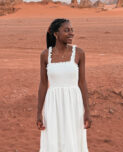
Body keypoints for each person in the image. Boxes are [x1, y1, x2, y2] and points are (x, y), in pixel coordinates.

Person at [36, 18, 91, 151]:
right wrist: (39, 113)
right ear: (55, 33)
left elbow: (82, 83)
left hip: (74, 103)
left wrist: (87, 111)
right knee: (54, 138)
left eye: (72, 30)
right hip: (53, 104)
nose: (71, 33)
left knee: (73, 139)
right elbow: (43, 84)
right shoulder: (45, 55)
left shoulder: (79, 53)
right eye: (66, 30)